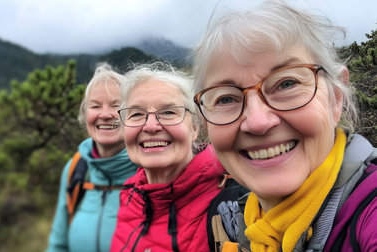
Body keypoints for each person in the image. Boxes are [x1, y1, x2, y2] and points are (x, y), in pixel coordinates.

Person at [192, 1, 377, 251]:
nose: (257, 121)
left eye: (287, 83)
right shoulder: (237, 219)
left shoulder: (369, 211)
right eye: (226, 98)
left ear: (335, 98)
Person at [110, 63, 228, 252]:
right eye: (137, 114)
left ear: (195, 128)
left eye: (168, 112)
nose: (150, 126)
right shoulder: (130, 196)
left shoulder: (231, 202)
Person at [46, 63, 138, 252]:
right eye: (95, 106)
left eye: (116, 105)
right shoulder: (77, 169)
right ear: (84, 114)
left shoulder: (149, 171)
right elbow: (58, 244)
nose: (105, 115)